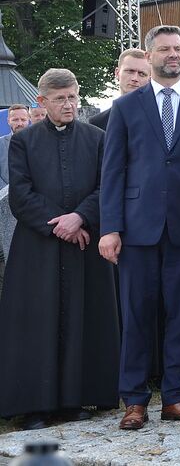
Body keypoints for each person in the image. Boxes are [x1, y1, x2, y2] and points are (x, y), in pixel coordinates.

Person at [99, 25, 180, 431]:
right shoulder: (126, 107)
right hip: (137, 229)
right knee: (136, 315)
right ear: (150, 55)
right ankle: (134, 401)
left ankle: (176, 397)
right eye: (165, 49)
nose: (173, 55)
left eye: (178, 48)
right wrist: (110, 228)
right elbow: (112, 172)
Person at [0, 69, 118, 430]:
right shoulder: (23, 142)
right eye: (60, 99)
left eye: (72, 97)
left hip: (84, 243)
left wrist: (80, 217)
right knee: (36, 321)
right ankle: (34, 405)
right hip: (39, 247)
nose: (69, 105)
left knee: (83, 317)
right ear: (42, 101)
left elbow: (106, 186)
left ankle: (74, 399)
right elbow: (21, 195)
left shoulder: (97, 138)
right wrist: (61, 224)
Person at [90, 49, 152, 131]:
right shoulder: (98, 123)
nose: (135, 78)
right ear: (117, 73)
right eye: (130, 71)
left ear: (150, 79)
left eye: (142, 74)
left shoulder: (161, 119)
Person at [0, 104, 30, 186]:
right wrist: (6, 191)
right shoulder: (1, 144)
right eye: (15, 120)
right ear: (8, 121)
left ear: (28, 120)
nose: (20, 123)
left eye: (23, 119)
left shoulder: (40, 143)